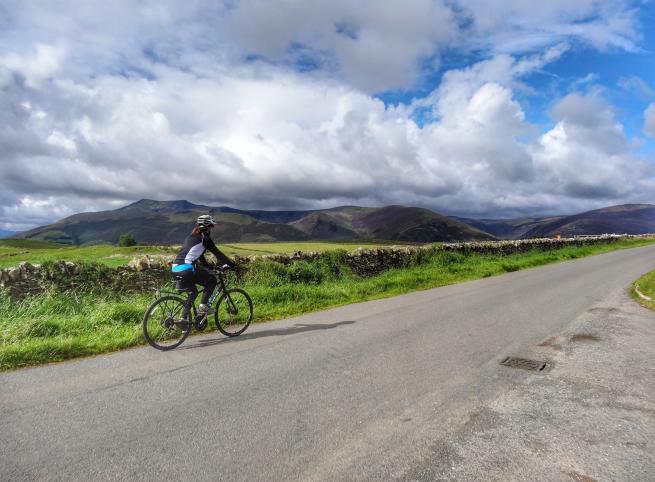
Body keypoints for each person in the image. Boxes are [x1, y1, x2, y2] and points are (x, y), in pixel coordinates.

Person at [171, 214, 235, 314]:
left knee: (193, 293)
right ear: (207, 228)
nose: (211, 230)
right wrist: (231, 264)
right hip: (187, 269)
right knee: (212, 280)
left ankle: (183, 319)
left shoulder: (191, 237)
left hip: (175, 269)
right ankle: (203, 306)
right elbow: (219, 254)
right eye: (211, 227)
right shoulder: (205, 239)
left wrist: (212, 267)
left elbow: (201, 259)